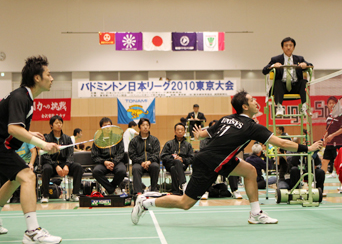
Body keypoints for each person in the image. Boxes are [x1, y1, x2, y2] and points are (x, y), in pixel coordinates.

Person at [131, 90, 322, 225]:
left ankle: (255, 213)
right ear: (245, 106)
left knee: (250, 171)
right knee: (186, 203)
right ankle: (146, 203)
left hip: (221, 158)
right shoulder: (252, 126)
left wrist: (200, 135)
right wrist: (308, 148)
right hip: (209, 162)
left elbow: (208, 132)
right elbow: (282, 143)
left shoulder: (227, 118)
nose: (256, 102)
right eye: (252, 100)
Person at [0, 55, 61, 244]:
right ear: (37, 78)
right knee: (28, 176)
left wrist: (30, 133)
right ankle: (32, 232)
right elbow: (12, 129)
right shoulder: (20, 96)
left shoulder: (25, 98)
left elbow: (10, 126)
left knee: (16, 180)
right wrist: (43, 145)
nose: (52, 78)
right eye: (48, 74)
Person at [262, 37, 313, 117]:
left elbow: (310, 65)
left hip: (296, 87)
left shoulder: (299, 58)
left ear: (294, 47)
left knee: (304, 82)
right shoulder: (276, 59)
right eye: (286, 45)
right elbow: (264, 70)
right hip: (282, 88)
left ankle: (304, 107)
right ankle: (279, 107)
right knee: (277, 82)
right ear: (282, 47)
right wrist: (273, 65)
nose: (288, 47)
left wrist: (305, 65)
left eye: (290, 45)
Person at [40, 115, 84, 203]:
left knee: (78, 167)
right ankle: (45, 195)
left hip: (64, 164)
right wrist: (56, 166)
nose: (59, 125)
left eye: (60, 123)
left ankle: (75, 194)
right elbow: (45, 155)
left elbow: (70, 154)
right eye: (56, 123)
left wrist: (67, 165)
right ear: (51, 125)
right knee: (46, 168)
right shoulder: (47, 138)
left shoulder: (67, 138)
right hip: (51, 164)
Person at [91, 117, 127, 195]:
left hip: (117, 162)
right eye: (105, 126)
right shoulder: (97, 140)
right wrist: (104, 162)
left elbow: (121, 153)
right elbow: (94, 156)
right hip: (103, 163)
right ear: (101, 128)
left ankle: (110, 188)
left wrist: (113, 162)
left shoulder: (118, 138)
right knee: (96, 172)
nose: (108, 128)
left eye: (109, 125)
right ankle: (112, 189)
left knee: (122, 171)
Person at [128, 118, 160, 194]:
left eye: (147, 125)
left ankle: (153, 189)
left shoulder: (155, 140)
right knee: (135, 168)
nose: (145, 127)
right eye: (143, 125)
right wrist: (141, 162)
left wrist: (149, 161)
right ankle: (138, 192)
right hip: (139, 163)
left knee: (155, 166)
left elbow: (156, 153)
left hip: (151, 162)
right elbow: (132, 155)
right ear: (139, 127)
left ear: (149, 127)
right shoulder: (134, 141)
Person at [160, 123, 194, 195]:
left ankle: (175, 191)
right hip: (170, 164)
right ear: (175, 131)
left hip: (183, 165)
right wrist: (173, 158)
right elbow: (162, 156)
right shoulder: (169, 143)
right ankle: (183, 183)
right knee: (175, 164)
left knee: (174, 168)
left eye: (182, 130)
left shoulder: (188, 145)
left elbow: (192, 158)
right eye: (178, 130)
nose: (180, 131)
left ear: (184, 131)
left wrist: (183, 160)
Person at [321, 97, 342, 179]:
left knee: (340, 161)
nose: (331, 104)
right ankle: (320, 179)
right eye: (330, 103)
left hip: (340, 142)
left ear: (336, 105)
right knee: (325, 160)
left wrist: (332, 135)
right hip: (330, 143)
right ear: (327, 105)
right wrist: (325, 137)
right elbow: (328, 129)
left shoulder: (340, 115)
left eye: (333, 103)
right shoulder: (328, 116)